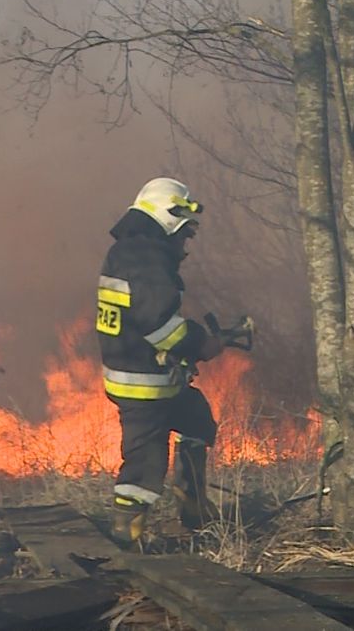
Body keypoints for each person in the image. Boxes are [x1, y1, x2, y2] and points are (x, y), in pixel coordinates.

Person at [96, 177, 225, 543]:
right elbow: (159, 324)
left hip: (146, 374)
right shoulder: (146, 259)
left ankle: (193, 501)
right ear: (168, 219)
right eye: (182, 233)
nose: (184, 243)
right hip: (142, 385)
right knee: (145, 462)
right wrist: (201, 345)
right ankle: (127, 535)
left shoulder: (128, 253)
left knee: (196, 418)